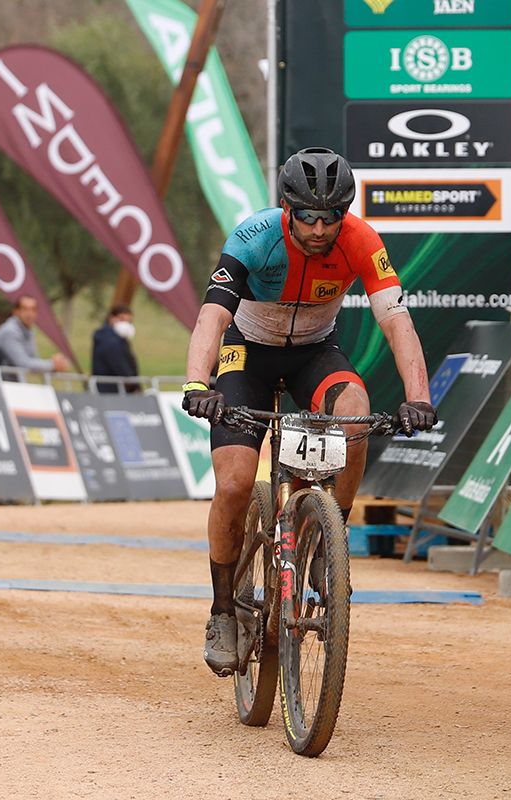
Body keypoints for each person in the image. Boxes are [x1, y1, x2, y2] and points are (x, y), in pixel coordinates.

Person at [181, 147, 437, 676]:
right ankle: (223, 609)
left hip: (313, 352)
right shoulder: (254, 237)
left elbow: (397, 322)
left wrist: (419, 397)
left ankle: (329, 543)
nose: (320, 229)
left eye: (331, 217)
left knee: (357, 413)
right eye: (308, 217)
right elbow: (211, 317)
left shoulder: (361, 241)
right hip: (246, 352)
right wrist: (196, 383)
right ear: (286, 208)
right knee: (232, 484)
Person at [0, 296, 69, 373]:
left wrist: (55, 364)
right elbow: (23, 364)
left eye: (33, 309)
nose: (29, 313)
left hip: (11, 383)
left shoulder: (27, 331)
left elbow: (34, 360)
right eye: (25, 309)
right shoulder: (10, 331)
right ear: (16, 312)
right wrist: (52, 365)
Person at [91, 304, 139, 393]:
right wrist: (133, 385)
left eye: (129, 321)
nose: (125, 324)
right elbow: (120, 367)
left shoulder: (119, 340)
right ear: (111, 318)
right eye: (122, 319)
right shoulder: (108, 340)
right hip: (110, 391)